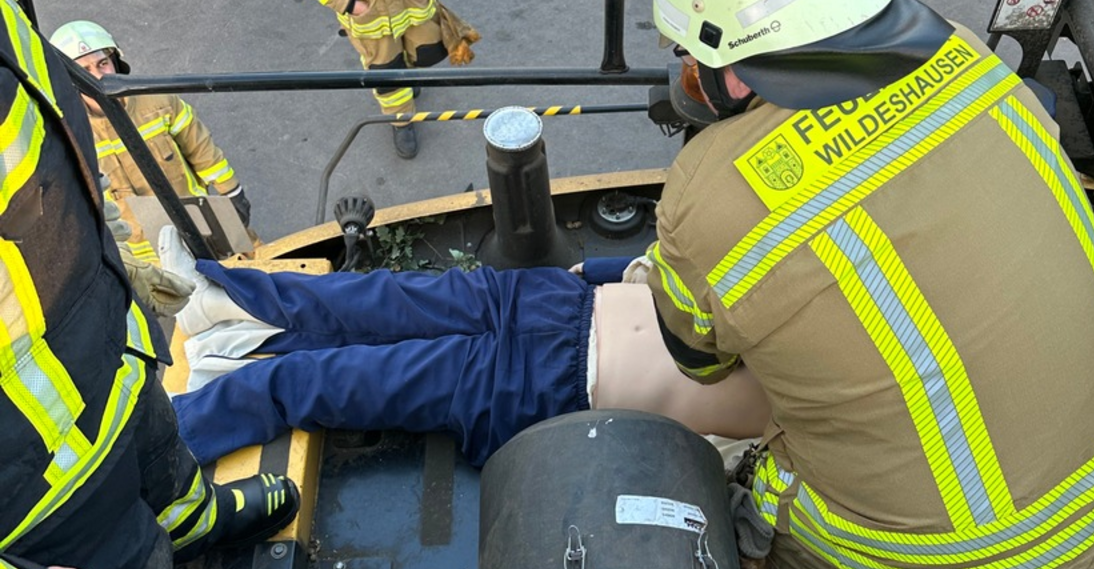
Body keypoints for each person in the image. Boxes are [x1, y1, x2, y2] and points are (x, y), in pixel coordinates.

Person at [645, 0, 1094, 568]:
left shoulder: (706, 193)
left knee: (760, 503)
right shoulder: (962, 52)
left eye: (690, 57)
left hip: (962, 552)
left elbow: (700, 363)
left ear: (732, 72)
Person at [0, 0, 298, 569]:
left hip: (107, 345)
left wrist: (115, 260)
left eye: (103, 63)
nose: (98, 75)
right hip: (39, 473)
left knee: (164, 462)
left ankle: (195, 521)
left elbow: (51, 154)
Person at [156, 227, 770, 468]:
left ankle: (164, 439)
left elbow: (701, 463)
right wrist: (611, 271)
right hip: (560, 303)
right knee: (379, 299)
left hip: (550, 388)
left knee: (351, 380)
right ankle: (221, 304)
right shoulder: (814, 310)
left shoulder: (808, 438)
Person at [49, 20, 257, 264]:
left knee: (260, 268)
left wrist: (232, 193)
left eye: (102, 63)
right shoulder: (70, 133)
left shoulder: (158, 102)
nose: (97, 77)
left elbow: (202, 151)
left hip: (201, 228)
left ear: (116, 62)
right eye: (84, 70)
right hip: (141, 258)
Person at [287, 0, 453, 159]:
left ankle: (410, 79)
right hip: (369, 20)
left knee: (423, 51)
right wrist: (348, 3)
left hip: (413, 1)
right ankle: (401, 121)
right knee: (386, 72)